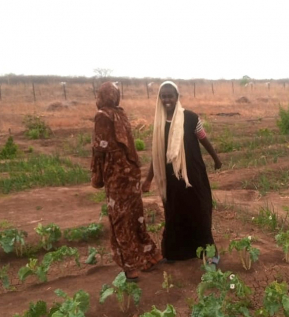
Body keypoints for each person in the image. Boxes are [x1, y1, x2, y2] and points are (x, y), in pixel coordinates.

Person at [142, 81, 222, 262]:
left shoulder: (191, 118)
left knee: (199, 212)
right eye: (163, 96)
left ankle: (211, 254)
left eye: (170, 95)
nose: (166, 99)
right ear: (159, 98)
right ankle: (175, 253)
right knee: (174, 214)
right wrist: (148, 180)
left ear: (177, 97)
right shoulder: (159, 123)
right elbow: (157, 155)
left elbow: (204, 139)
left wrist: (216, 159)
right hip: (171, 180)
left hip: (192, 176)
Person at [91, 82, 161, 281]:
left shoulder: (102, 116)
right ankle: (149, 256)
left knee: (120, 218)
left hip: (116, 174)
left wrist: (96, 176)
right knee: (134, 214)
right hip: (131, 173)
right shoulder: (121, 113)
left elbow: (99, 148)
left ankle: (131, 266)